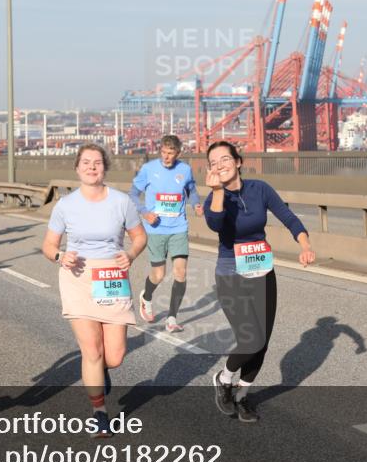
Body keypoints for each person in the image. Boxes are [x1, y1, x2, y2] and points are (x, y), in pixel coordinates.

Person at [204, 141, 315, 423]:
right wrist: (217, 191)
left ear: (238, 161)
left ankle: (241, 397)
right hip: (231, 273)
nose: (220, 164)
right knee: (250, 338)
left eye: (225, 158)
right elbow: (216, 223)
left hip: (262, 270)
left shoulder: (260, 189)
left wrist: (305, 244)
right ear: (210, 170)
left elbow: (288, 217)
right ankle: (224, 378)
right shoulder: (214, 198)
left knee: (262, 342)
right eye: (213, 162)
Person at [41, 143, 147, 438]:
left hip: (111, 275)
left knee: (114, 357)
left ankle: (101, 372)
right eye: (86, 162)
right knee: (92, 351)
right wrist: (61, 256)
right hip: (78, 278)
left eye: (97, 162)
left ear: (104, 168)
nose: (91, 167)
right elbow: (48, 246)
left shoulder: (122, 201)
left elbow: (139, 237)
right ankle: (99, 412)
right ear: (77, 168)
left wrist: (132, 254)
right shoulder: (65, 205)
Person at [130, 134, 202, 333]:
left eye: (170, 153)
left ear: (178, 153)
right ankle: (147, 296)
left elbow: (192, 190)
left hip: (178, 227)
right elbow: (133, 194)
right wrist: (145, 212)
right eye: (163, 152)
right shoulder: (148, 169)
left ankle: (171, 318)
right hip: (156, 229)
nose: (166, 157)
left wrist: (196, 203)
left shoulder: (185, 170)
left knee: (180, 273)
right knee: (159, 274)